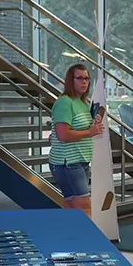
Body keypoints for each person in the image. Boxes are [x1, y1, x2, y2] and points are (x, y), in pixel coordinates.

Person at [50, 63, 104, 218]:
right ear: (70, 80)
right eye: (79, 78)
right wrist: (90, 131)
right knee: (84, 207)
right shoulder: (64, 102)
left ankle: (70, 240)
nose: (84, 82)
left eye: (86, 78)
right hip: (67, 163)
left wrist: (94, 122)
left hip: (81, 160)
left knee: (71, 206)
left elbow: (69, 129)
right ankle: (87, 241)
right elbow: (63, 135)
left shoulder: (84, 103)